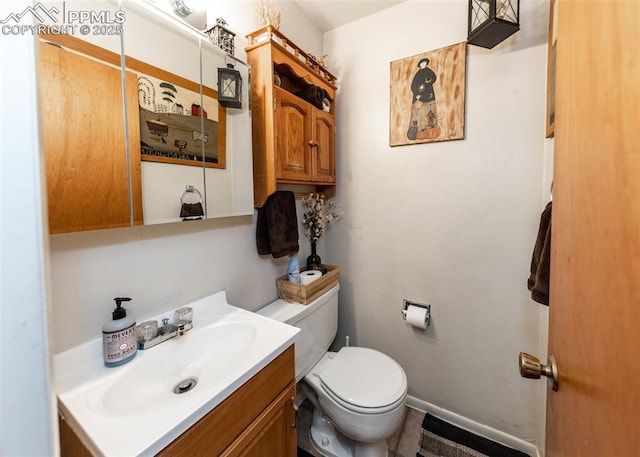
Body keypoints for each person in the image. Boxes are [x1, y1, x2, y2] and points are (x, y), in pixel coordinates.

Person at [407, 58, 439, 140]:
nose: (423, 65)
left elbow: (433, 78)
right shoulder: (418, 74)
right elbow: (413, 86)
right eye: (422, 63)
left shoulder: (429, 71)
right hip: (418, 98)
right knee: (417, 114)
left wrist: (427, 82)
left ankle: (430, 130)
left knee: (429, 113)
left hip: (428, 96)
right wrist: (417, 94)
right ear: (420, 65)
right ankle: (415, 132)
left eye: (425, 63)